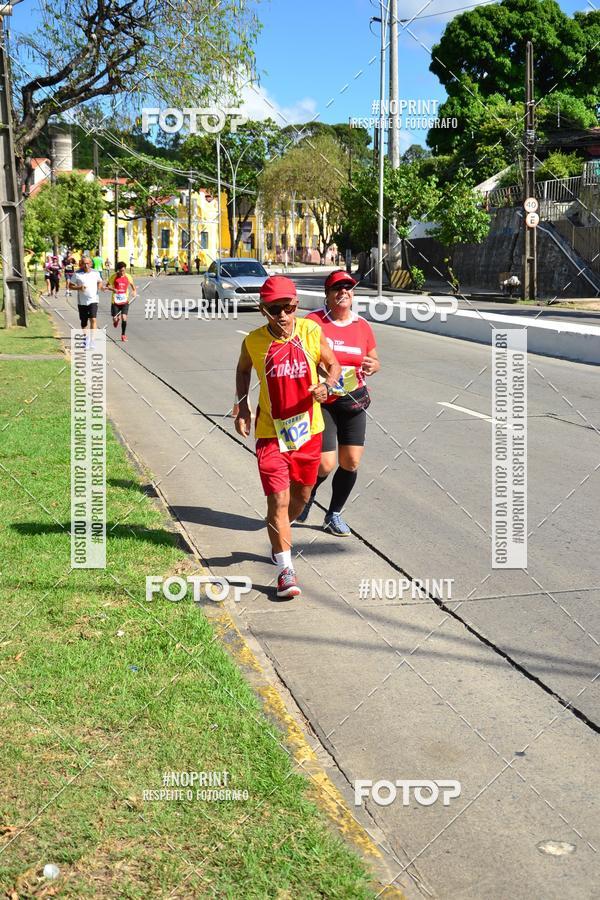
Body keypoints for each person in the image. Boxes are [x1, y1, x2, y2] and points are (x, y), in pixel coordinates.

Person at [234, 275, 341, 599]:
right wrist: (243, 406)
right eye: (274, 309)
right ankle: (285, 568)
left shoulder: (310, 331)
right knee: (278, 501)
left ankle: (279, 531)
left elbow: (333, 365)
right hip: (271, 434)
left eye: (288, 307)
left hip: (309, 433)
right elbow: (242, 370)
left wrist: (327, 386)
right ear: (263, 310)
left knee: (301, 498)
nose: (282, 315)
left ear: (296, 307)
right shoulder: (254, 341)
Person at [297, 270, 381, 535]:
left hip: (354, 400)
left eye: (348, 287)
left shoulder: (362, 326)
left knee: (351, 462)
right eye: (337, 288)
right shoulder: (312, 322)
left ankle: (333, 514)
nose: (343, 292)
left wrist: (374, 365)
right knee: (324, 463)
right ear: (327, 294)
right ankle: (305, 496)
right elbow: (300, 357)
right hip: (324, 402)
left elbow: (374, 358)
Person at [70, 256, 105, 349]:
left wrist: (100, 287)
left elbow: (100, 281)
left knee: (93, 319)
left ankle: (92, 340)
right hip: (82, 301)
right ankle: (86, 339)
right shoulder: (77, 273)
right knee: (84, 321)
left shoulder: (95, 272)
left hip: (93, 299)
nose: (86, 265)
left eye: (88, 263)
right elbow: (70, 286)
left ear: (91, 264)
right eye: (84, 263)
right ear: (81, 264)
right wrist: (79, 288)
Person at [107, 261, 136, 342]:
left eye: (124, 270)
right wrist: (113, 289)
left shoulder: (128, 276)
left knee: (124, 317)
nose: (123, 272)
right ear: (118, 270)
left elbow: (133, 285)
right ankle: (116, 320)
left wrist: (134, 291)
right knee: (115, 319)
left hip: (125, 301)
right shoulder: (114, 276)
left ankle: (123, 335)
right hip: (115, 301)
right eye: (121, 271)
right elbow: (107, 286)